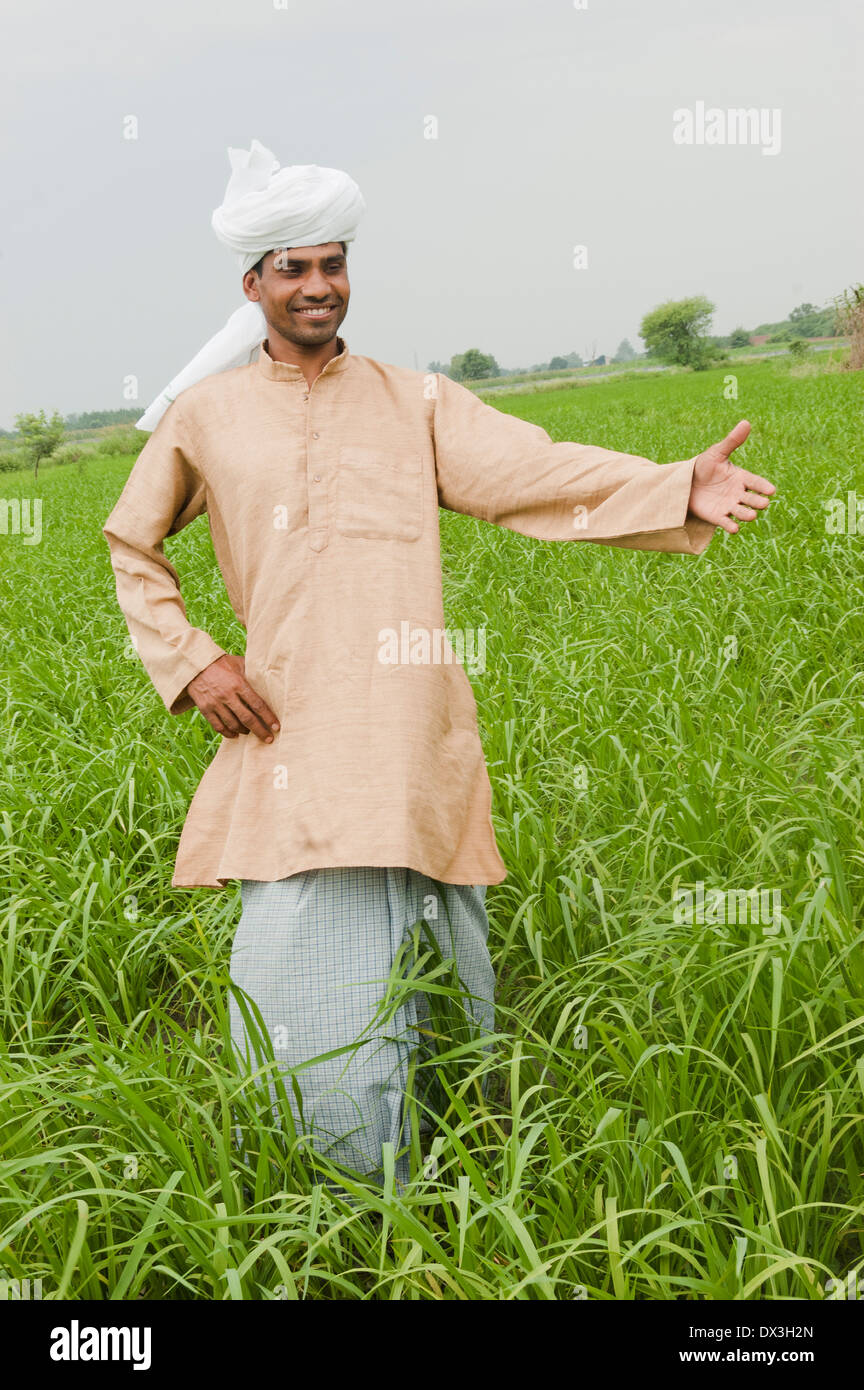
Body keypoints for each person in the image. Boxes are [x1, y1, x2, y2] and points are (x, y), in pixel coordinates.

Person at [102, 139, 776, 1192]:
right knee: (300, 966)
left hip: (413, 726)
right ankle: (329, 1197)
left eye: (333, 263)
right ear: (253, 284)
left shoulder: (414, 401)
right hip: (289, 733)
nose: (318, 285)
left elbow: (533, 470)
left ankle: (463, 1177)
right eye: (293, 267)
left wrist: (674, 485)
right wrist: (191, 663)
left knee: (448, 988)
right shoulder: (206, 416)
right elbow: (130, 544)